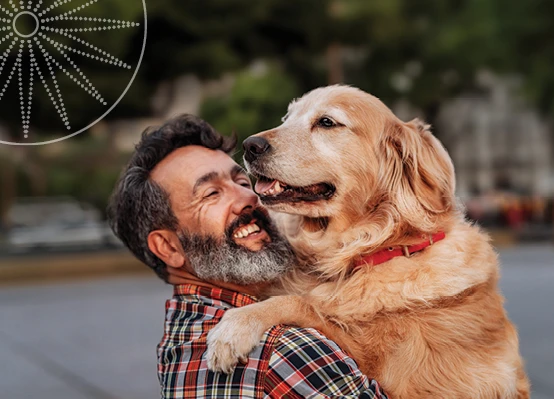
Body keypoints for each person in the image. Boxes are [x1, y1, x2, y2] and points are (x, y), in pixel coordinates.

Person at [107, 114, 388, 399]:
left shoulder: (180, 344)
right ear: (168, 248)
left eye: (242, 181)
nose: (249, 197)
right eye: (211, 193)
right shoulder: (282, 351)